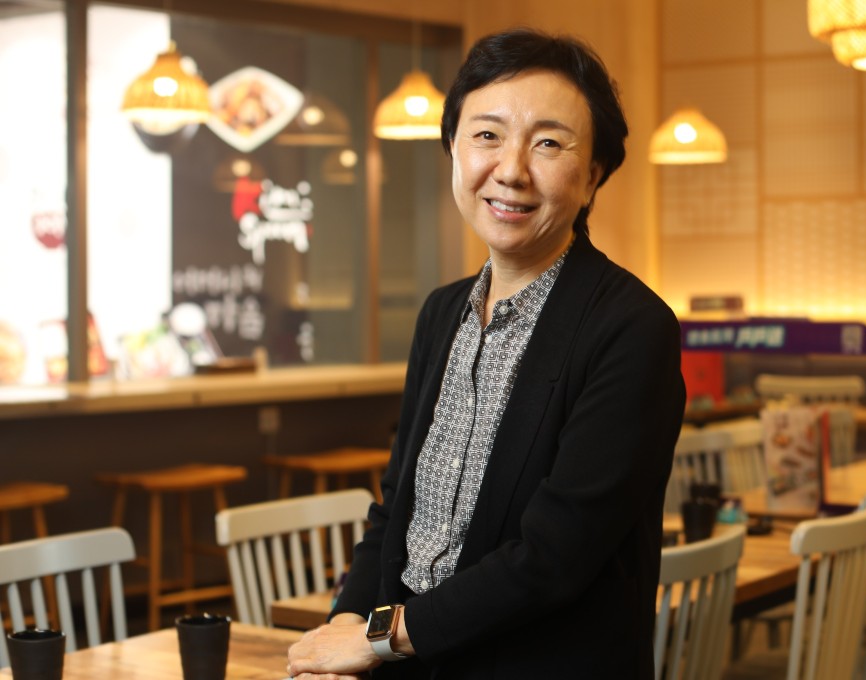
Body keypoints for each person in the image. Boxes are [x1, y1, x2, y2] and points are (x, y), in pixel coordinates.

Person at [287, 27, 686, 679]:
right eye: (487, 135)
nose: (510, 170)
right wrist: (345, 619)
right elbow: (397, 505)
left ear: (592, 176)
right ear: (453, 150)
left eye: (549, 143)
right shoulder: (442, 313)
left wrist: (377, 638)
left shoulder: (631, 327)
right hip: (406, 659)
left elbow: (554, 557)